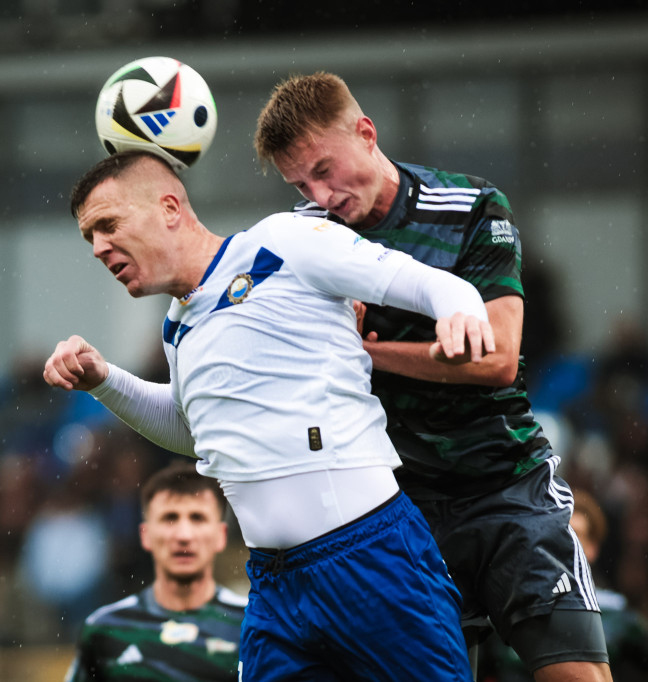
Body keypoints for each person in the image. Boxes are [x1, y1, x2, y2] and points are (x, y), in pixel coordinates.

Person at [44, 149, 496, 680]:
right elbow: (198, 437)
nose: (98, 248)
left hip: (372, 560)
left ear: (169, 207)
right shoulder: (177, 326)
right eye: (89, 237)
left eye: (107, 225)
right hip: (274, 588)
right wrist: (105, 381)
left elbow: (426, 282)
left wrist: (460, 308)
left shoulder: (283, 242)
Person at [254, 72, 611, 682]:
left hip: (506, 488)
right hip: (396, 509)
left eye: (325, 169)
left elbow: (496, 359)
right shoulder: (305, 241)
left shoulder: (472, 206)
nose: (320, 194)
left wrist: (367, 351)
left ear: (366, 134)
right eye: (301, 184)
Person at [477, 489, 648, 682]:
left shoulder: (617, 616)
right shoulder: (506, 609)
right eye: (561, 534)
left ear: (593, 548)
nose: (566, 544)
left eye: (577, 535)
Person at [63, 461, 245, 682]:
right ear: (145, 535)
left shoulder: (250, 626)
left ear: (221, 535)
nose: (184, 535)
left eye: (197, 518)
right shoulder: (105, 629)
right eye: (170, 518)